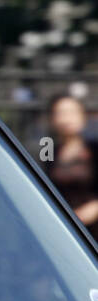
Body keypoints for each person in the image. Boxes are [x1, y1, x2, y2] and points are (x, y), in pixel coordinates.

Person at [44, 93, 98, 239]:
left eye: (72, 112)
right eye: (60, 113)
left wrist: (92, 210)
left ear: (82, 116)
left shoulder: (94, 149)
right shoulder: (47, 147)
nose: (66, 119)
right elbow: (42, 181)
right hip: (62, 227)